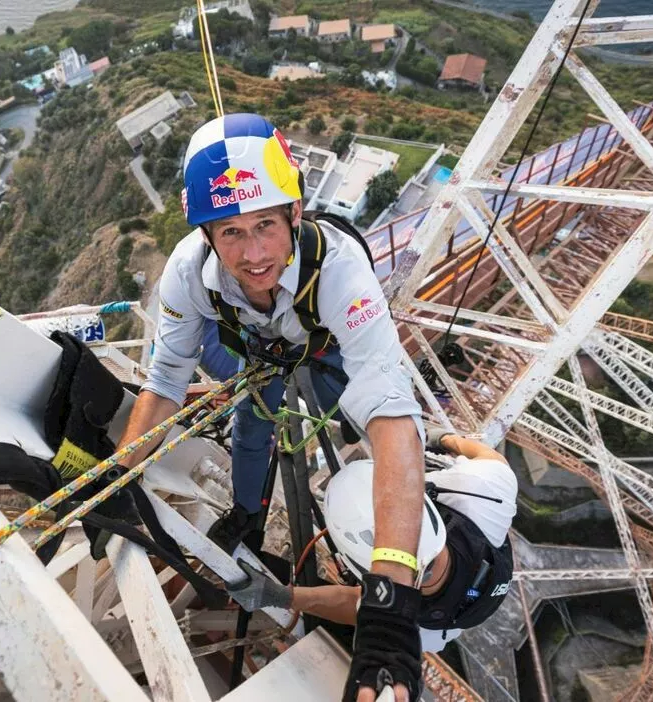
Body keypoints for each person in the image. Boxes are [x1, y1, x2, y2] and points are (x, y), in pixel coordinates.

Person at [110, 112, 430, 702]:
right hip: (258, 349)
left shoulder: (340, 271)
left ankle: (395, 510)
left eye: (265, 225)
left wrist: (390, 602)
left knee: (361, 425)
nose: (254, 254)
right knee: (253, 425)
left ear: (296, 215)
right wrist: (121, 474)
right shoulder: (187, 273)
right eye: (230, 232)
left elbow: (392, 413)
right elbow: (166, 379)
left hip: (321, 344)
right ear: (206, 236)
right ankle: (248, 514)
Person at [227, 433, 518, 661]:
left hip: (438, 628)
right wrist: (281, 596)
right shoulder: (483, 495)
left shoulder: (490, 491)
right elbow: (355, 603)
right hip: (443, 627)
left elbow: (352, 603)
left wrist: (443, 440)